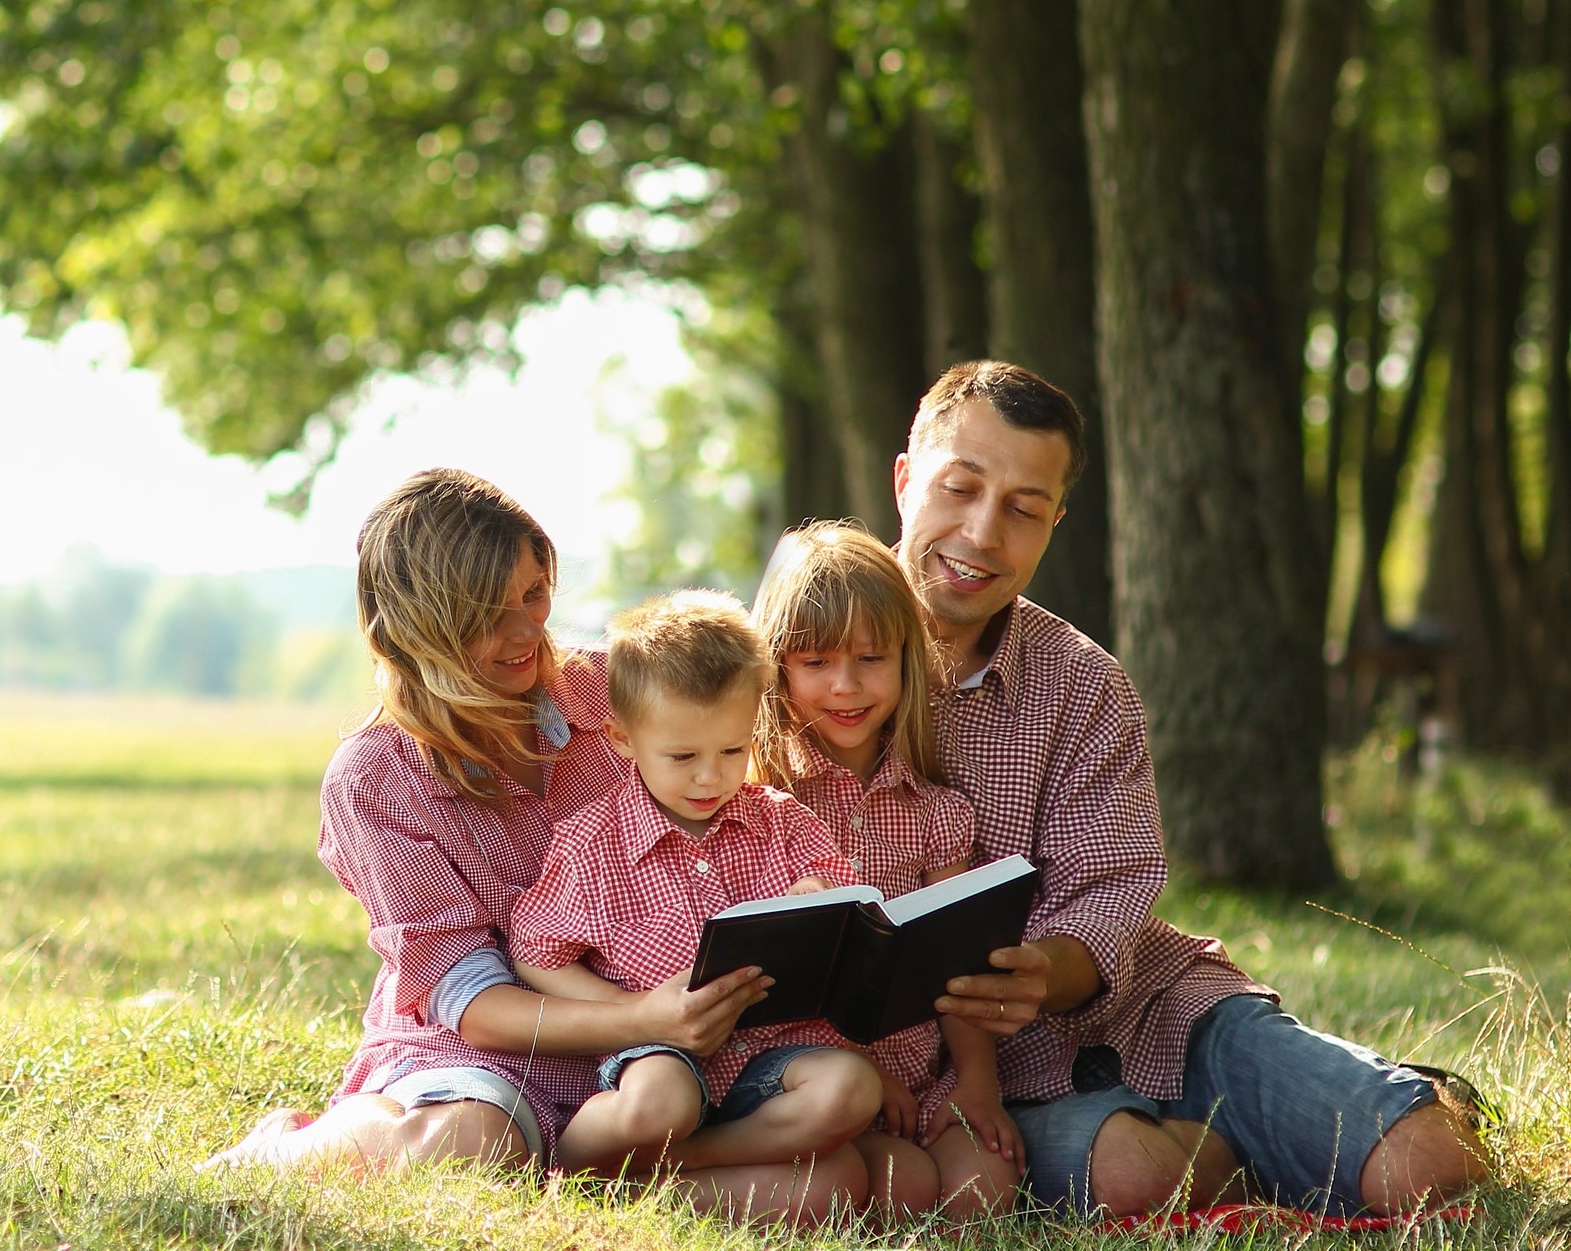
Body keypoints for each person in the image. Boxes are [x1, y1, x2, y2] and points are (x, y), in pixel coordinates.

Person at [893, 361, 1491, 1218]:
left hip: (1153, 1013)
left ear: (1055, 524)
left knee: (1436, 1162)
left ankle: (1384, 1103)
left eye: (1024, 509)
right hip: (984, 1082)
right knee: (1141, 1178)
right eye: (960, 489)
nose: (983, 533)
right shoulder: (791, 657)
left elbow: (1109, 897)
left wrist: (1042, 970)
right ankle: (1241, 1155)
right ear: (907, 480)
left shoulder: (1082, 682)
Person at [204, 470, 860, 1226]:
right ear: (414, 627)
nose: (525, 633)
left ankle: (599, 1180)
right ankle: (286, 1153)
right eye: (487, 614)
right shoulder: (374, 778)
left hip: (667, 1065)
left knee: (827, 1186)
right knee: (474, 1138)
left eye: (533, 594)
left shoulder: (612, 692)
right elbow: (475, 1004)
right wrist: (645, 1016)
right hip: (489, 1060)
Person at [509, 589, 882, 1201]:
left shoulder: (780, 823)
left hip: (769, 1058)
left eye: (733, 750)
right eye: (683, 756)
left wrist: (819, 894)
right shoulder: (593, 842)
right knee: (658, 1102)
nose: (711, 777)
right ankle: (569, 1168)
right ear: (624, 739)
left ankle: (670, 1172)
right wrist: (628, 1015)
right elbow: (535, 952)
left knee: (849, 1091)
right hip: (659, 1051)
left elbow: (844, 903)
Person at [750, 519, 1023, 1219]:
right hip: (808, 1076)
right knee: (904, 1186)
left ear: (908, 659)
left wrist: (977, 1083)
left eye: (872, 659)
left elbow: (957, 962)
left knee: (983, 1189)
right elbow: (774, 983)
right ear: (776, 666)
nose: (846, 687)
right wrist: (863, 1074)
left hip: (918, 1068)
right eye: (816, 663)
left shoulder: (937, 812)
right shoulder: (760, 804)